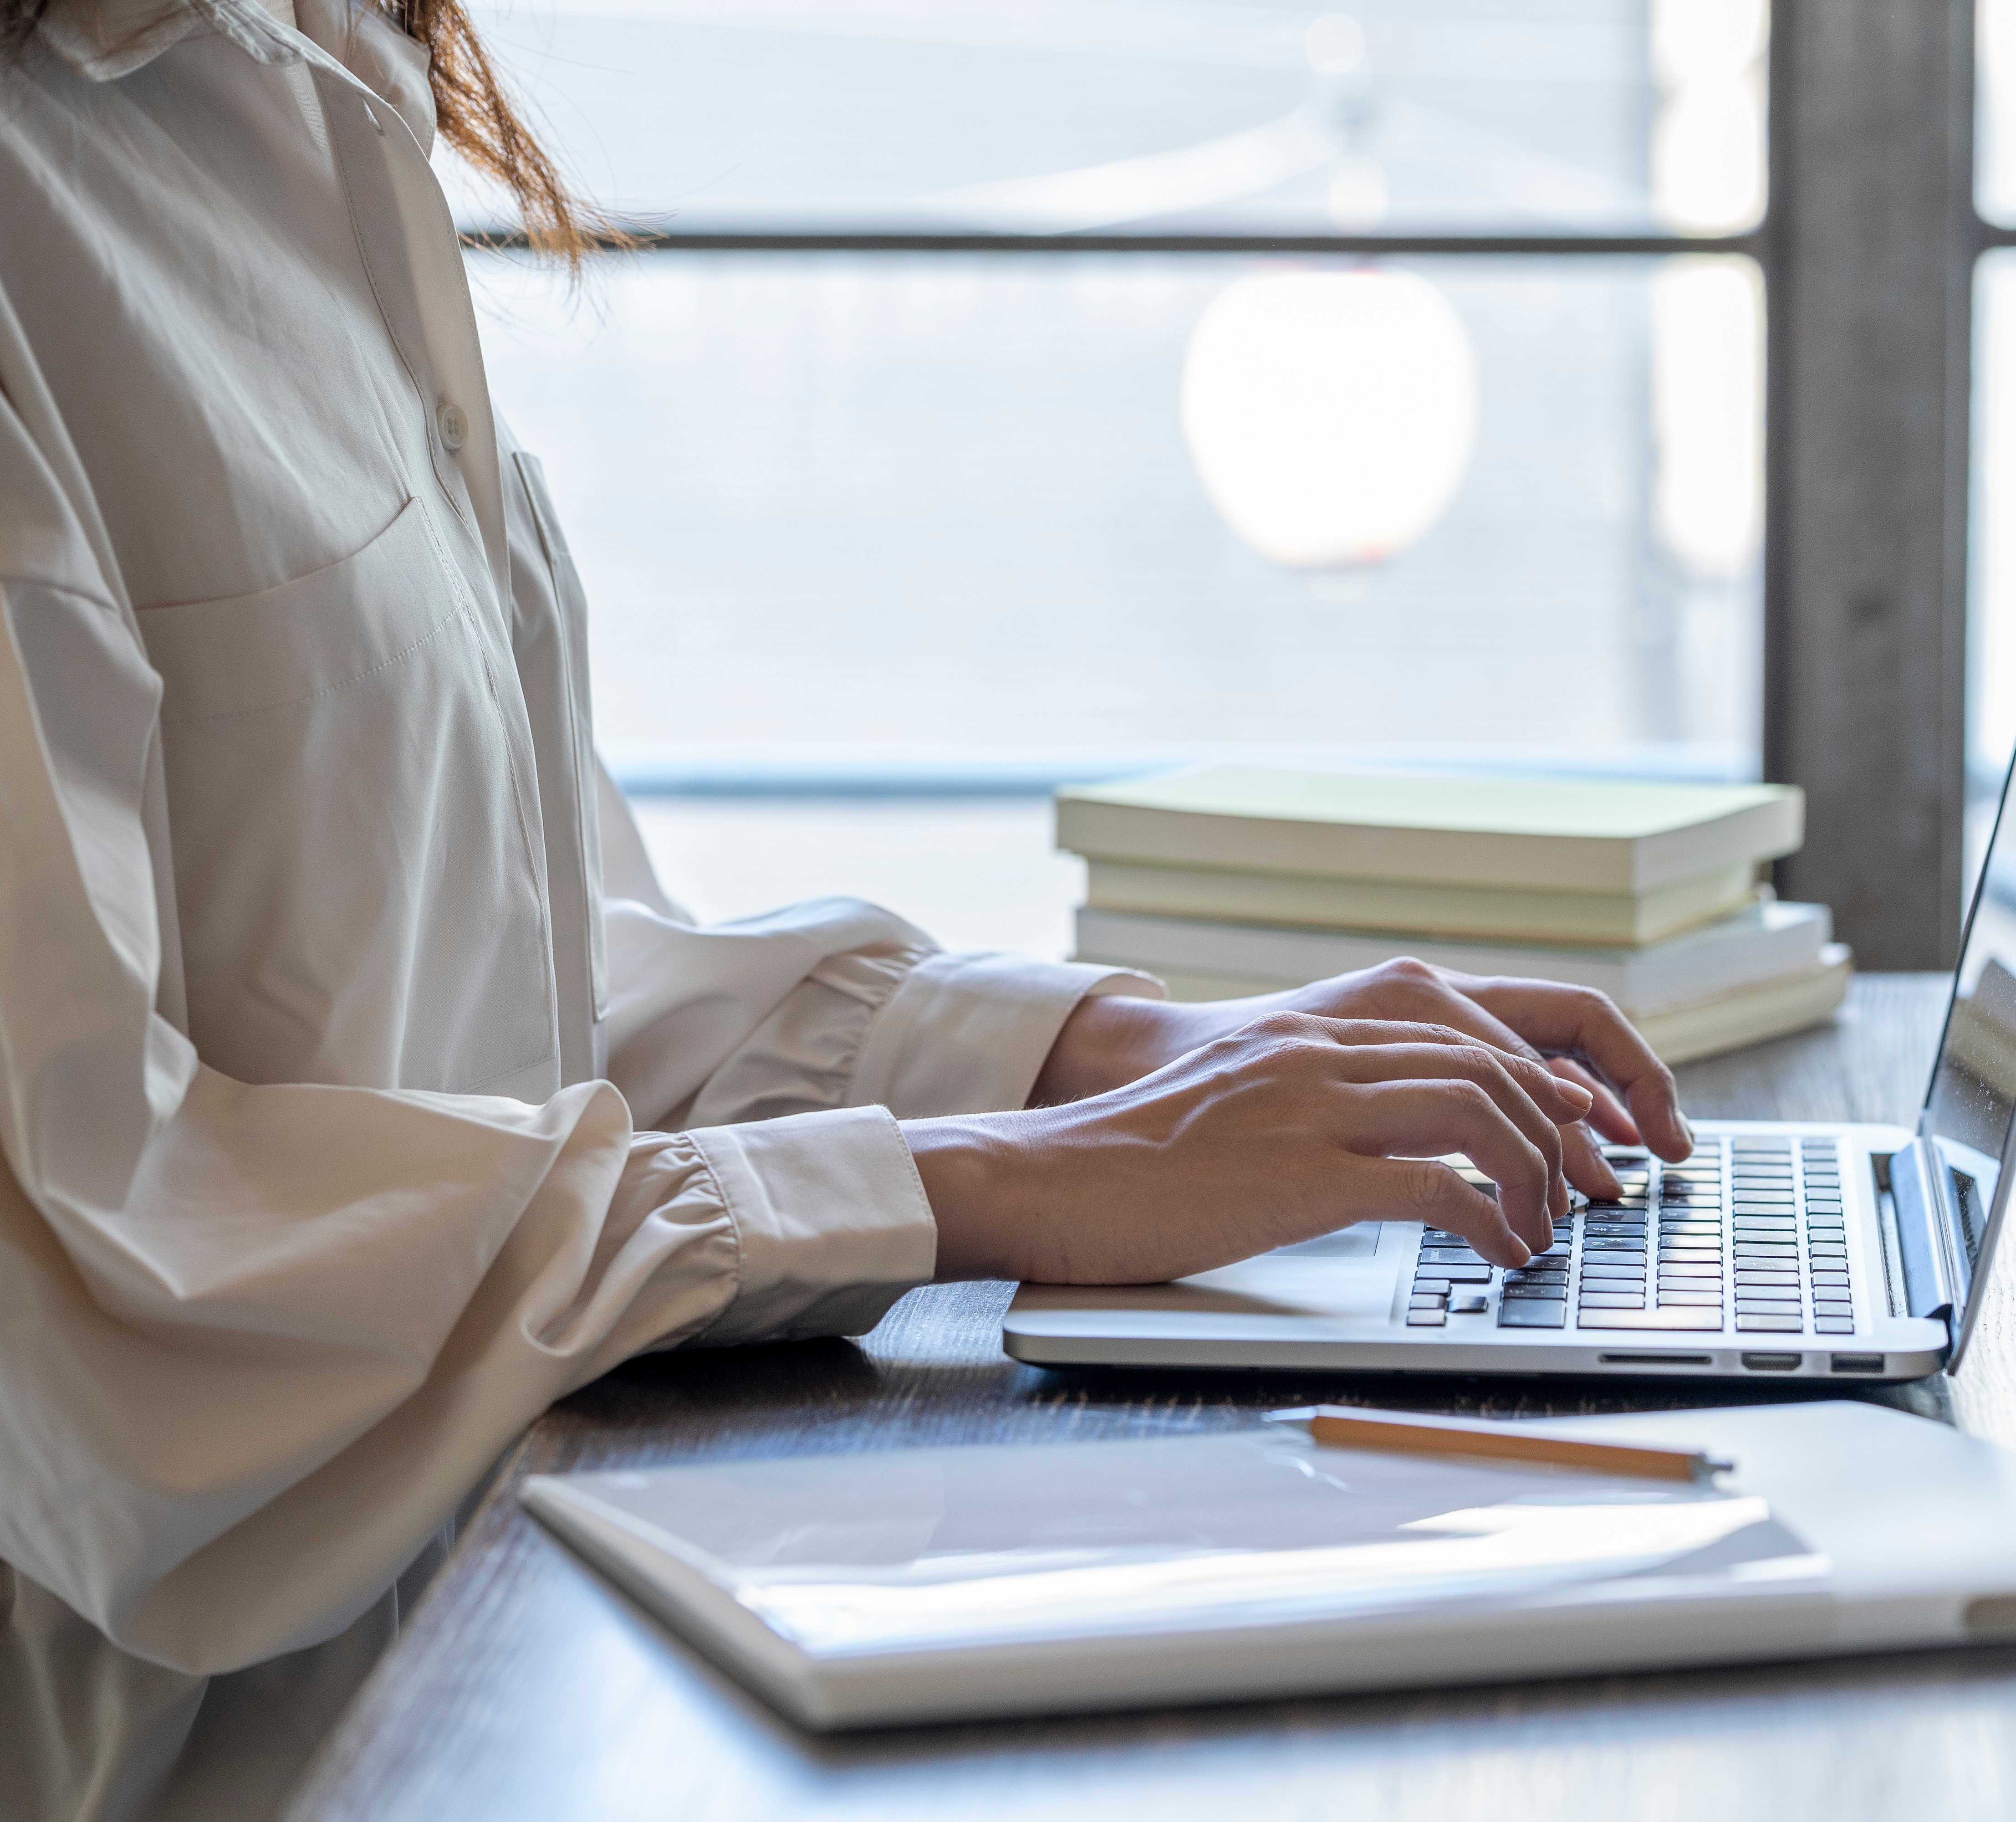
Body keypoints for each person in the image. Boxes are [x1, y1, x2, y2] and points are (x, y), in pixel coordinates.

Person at [0, 1, 1693, 1815]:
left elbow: (513, 980)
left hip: (470, 1645)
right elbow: (92, 1271)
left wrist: (1108, 1053)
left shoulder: (290, 78)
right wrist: (996, 1181)